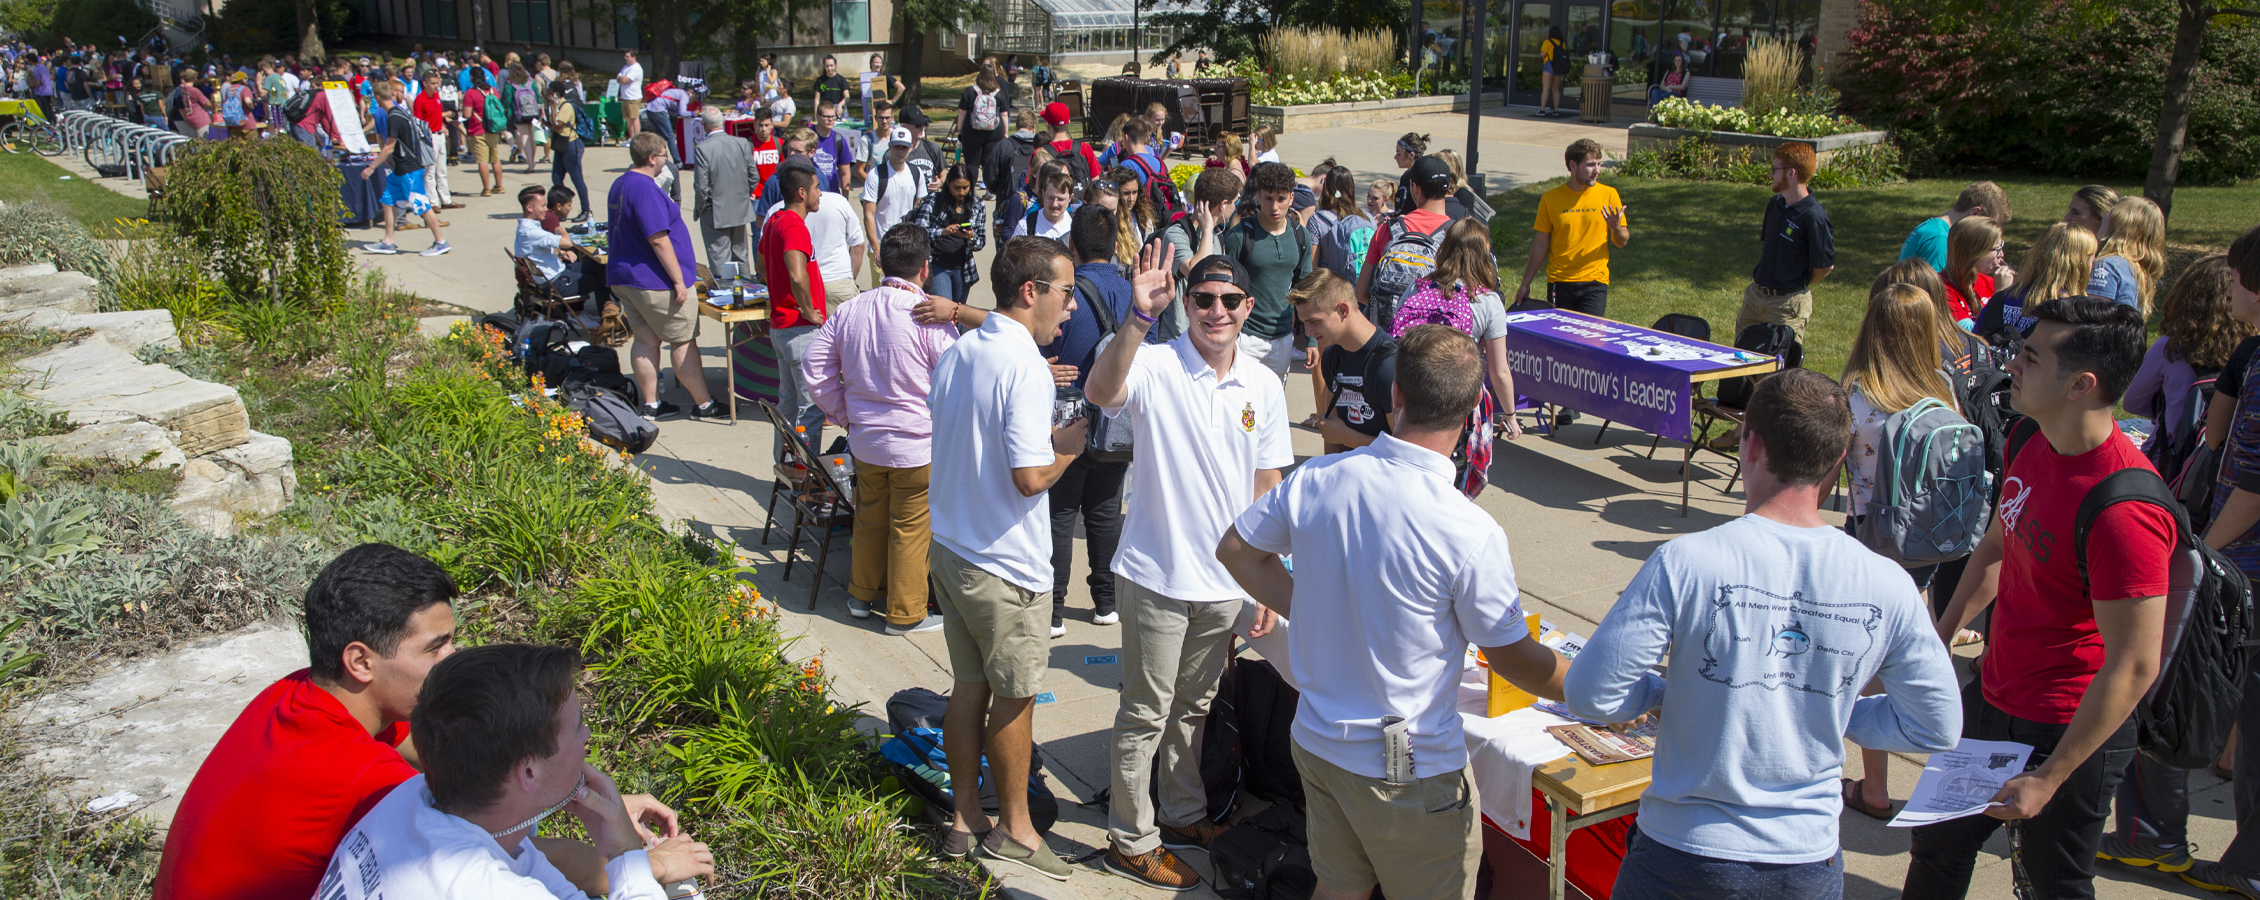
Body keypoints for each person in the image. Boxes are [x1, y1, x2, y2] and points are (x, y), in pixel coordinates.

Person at [1567, 367, 1961, 899]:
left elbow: (1592, 693)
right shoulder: (1886, 583)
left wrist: (1665, 694)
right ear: (1838, 459)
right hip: (1804, 862)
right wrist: (1837, 712)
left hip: (1681, 853)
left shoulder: (1686, 562)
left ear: (1749, 444)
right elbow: (1935, 726)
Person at [1217, 324, 1571, 900]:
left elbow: (1236, 551)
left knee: (1337, 886)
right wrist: (1597, 686)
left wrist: (1311, 609)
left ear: (1396, 395)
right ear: (1471, 412)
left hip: (1318, 742)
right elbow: (1517, 663)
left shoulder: (1319, 478)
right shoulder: (1468, 528)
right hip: (1404, 768)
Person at [153, 545, 687, 900]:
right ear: (360, 660)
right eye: (436, 647)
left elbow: (467, 758)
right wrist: (648, 867)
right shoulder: (370, 785)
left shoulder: (303, 694)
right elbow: (495, 840)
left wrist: (567, 788)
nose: (454, 658)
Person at [1907, 297, 2174, 899]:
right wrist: (1940, 637)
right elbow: (1999, 547)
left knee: (2052, 887)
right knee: (1937, 849)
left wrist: (2051, 776)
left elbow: (2135, 663)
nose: (2012, 365)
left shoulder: (2124, 511)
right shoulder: (2031, 436)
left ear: (2081, 384)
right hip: (1993, 700)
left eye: (2029, 356)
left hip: (2066, 729)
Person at [1077, 242, 1292, 889]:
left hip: (1226, 583)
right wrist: (1138, 318)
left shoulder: (1263, 382)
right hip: (1155, 575)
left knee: (1194, 707)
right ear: (1188, 304)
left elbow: (1267, 481)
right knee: (1145, 710)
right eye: (1203, 299)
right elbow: (1099, 389)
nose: (1216, 310)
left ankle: (1182, 812)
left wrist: (1268, 577)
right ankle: (1130, 837)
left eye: (1229, 300)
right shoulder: (1155, 364)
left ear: (1249, 307)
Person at [927, 236, 1088, 880]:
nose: (1071, 308)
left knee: (969, 689)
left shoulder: (962, 350)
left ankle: (965, 817)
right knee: (1015, 698)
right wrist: (1070, 448)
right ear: (1032, 292)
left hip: (953, 548)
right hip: (1005, 565)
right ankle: (1016, 830)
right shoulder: (1023, 365)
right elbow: (1028, 478)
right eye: (1066, 293)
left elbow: (977, 444)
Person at [316, 643, 713, 898]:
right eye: (577, 729)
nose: (587, 736)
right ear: (527, 773)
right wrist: (625, 853)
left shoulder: (410, 799)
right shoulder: (481, 888)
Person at [2141, 228, 2260, 896]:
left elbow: (2252, 481)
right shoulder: (2252, 354)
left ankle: (2250, 865)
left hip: (2247, 562)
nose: (2231, 288)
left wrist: (2205, 557)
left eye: (2240, 278)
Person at [1831, 283, 1970, 820]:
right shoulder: (1942, 389)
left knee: (1868, 661)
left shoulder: (1858, 393)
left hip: (1873, 537)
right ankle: (1943, 772)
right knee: (1925, 647)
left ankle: (1874, 786)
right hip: (1929, 541)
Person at [802, 224, 959, 635]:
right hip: (916, 445)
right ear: (925, 268)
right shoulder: (928, 315)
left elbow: (814, 367)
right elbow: (954, 380)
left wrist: (844, 413)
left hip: (866, 442)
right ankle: (905, 615)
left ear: (880, 262)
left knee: (870, 517)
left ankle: (861, 595)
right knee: (910, 528)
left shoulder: (851, 308)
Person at [1035, 206, 1168, 636]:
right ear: (1115, 244)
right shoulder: (1136, 290)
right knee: (1106, 510)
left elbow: (1048, 349)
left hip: (1069, 413)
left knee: (1060, 512)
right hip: (1121, 416)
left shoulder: (1067, 292)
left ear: (1072, 244)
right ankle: (1105, 602)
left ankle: (1054, 610)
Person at [607, 132, 722, 422]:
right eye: (664, 155)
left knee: (646, 340)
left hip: (626, 278)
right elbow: (658, 239)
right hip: (654, 282)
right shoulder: (645, 189)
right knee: (683, 341)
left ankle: (651, 405)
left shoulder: (620, 183)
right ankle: (704, 404)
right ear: (652, 158)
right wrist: (678, 280)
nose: (667, 161)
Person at [2124, 255, 2249, 459]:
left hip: (2170, 462)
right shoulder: (2249, 352)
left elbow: (2132, 402)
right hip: (2227, 458)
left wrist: (2168, 409)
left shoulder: (2169, 348)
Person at [758, 165, 838, 461]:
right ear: (802, 193)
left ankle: (786, 470)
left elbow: (760, 263)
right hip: (799, 329)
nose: (820, 194)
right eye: (817, 188)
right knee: (811, 409)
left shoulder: (774, 221)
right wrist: (807, 309)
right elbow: (797, 273)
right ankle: (806, 478)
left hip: (782, 328)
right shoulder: (793, 226)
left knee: (789, 407)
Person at [1221, 162, 1314, 382]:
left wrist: (1311, 339)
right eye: (1268, 198)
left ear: (1291, 198)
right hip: (1245, 338)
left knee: (1273, 409)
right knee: (1244, 410)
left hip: (1283, 340)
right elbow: (1225, 290)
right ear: (1258, 196)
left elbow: (1307, 290)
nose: (1274, 206)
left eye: (1281, 199)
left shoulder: (1301, 237)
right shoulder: (1239, 236)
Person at [1514, 138, 1628, 317]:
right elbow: (1540, 244)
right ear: (1573, 166)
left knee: (1590, 338)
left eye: (1599, 164)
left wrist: (1616, 228)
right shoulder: (1550, 199)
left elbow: (1622, 242)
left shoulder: (1609, 195)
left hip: (1595, 282)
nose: (1597, 170)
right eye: (1591, 165)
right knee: (1561, 339)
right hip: (1560, 282)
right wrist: (1525, 283)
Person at [1735, 142, 1835, 342]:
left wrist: (1797, 283)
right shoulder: (1776, 203)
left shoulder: (1814, 218)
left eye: (1774, 170)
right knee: (1740, 362)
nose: (1770, 175)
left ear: (1791, 173)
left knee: (1781, 371)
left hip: (1786, 306)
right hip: (1755, 299)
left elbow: (1825, 266)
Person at [1300, 270, 1396, 452]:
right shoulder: (1331, 355)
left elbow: (1403, 451)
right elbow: (1331, 432)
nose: (1307, 331)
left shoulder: (1389, 366)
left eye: (1314, 321)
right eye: (1304, 322)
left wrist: (1347, 437)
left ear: (1343, 310)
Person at [1358, 156, 1455, 327]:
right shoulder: (1455, 236)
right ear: (1447, 189)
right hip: (1431, 341)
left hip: (1388, 342)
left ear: (1414, 188)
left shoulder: (1387, 230)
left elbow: (1361, 293)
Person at [362, 82, 451, 258]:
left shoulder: (394, 117)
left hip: (409, 168)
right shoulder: (400, 112)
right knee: (387, 200)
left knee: (421, 204)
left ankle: (441, 241)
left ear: (378, 98)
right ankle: (388, 241)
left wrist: (371, 167)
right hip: (401, 168)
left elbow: (388, 147)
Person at [1974, 222, 2097, 341]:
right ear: (2081, 264)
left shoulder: (2000, 299)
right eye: (2092, 258)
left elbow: (1974, 342)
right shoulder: (2071, 313)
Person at [692, 107, 759, 279]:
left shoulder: (703, 149)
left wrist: (700, 208)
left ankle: (726, 296)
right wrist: (744, 194)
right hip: (739, 208)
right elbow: (754, 176)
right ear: (722, 122)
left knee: (719, 257)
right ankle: (746, 291)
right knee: (741, 255)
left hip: (715, 211)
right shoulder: (741, 143)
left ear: (704, 125)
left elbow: (701, 186)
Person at [514, 185, 607, 304]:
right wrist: (561, 230)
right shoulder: (531, 232)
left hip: (556, 272)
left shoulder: (526, 227)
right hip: (556, 283)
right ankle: (606, 317)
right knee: (604, 278)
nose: (546, 209)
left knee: (599, 266)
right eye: (542, 205)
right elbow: (567, 243)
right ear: (529, 208)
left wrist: (561, 253)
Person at [911, 163, 985, 305]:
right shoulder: (934, 201)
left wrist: (971, 237)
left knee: (958, 313)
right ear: (948, 184)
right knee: (945, 310)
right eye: (956, 187)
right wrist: (942, 232)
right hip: (937, 265)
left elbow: (980, 242)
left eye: (965, 188)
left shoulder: (978, 205)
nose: (961, 192)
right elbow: (918, 234)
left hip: (963, 268)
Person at [1897, 180, 2011, 272]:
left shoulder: (1934, 228)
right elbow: (1936, 293)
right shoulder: (1940, 240)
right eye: (1990, 226)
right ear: (1975, 213)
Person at [2090, 196, 2167, 315]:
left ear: (2117, 223)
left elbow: (2093, 312)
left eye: (2110, 213)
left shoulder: (2107, 265)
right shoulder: (2136, 267)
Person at [864, 126, 930, 253]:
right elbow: (868, 214)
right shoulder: (875, 175)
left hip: (907, 247)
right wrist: (876, 248)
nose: (900, 151)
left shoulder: (917, 173)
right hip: (882, 247)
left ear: (910, 148)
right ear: (890, 146)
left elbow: (918, 210)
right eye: (896, 146)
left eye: (904, 147)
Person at [1938, 215, 2009, 328]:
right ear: (1975, 253)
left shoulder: (1989, 282)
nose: (2002, 255)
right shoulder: (1941, 289)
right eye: (1997, 249)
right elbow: (1972, 336)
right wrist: (2000, 296)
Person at [414, 71, 462, 211]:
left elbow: (436, 115)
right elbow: (418, 122)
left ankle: (445, 198)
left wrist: (442, 125)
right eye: (433, 84)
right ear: (425, 83)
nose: (436, 86)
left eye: (437, 83)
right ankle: (433, 202)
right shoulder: (420, 100)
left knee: (442, 169)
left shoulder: (436, 96)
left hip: (440, 134)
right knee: (430, 171)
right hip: (429, 137)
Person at [958, 69, 1007, 191]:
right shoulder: (998, 93)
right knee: (990, 164)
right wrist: (1005, 131)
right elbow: (1004, 114)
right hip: (994, 133)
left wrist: (960, 130)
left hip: (972, 132)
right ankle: (990, 190)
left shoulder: (970, 91)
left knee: (972, 164)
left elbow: (962, 112)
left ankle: (970, 192)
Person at [462, 66, 502, 196]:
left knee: (482, 160)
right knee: (495, 159)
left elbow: (467, 114)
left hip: (478, 129)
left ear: (472, 78)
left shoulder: (470, 93)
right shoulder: (493, 91)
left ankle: (486, 188)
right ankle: (499, 185)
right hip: (494, 129)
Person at [1012, 168, 1076, 244]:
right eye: (1050, 198)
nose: (1054, 204)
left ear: (1070, 198)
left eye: (1060, 199)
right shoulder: (1025, 226)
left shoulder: (1077, 225)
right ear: (1043, 194)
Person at [1040, 101, 1100, 181]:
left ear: (1048, 125)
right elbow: (1095, 179)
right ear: (1068, 123)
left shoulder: (1041, 152)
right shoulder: (1085, 148)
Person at [809, 100, 859, 196]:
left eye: (833, 116)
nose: (830, 119)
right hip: (811, 195)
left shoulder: (839, 140)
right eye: (826, 117)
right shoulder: (807, 137)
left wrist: (845, 198)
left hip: (832, 194)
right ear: (817, 116)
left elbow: (845, 173)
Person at [860, 52, 904, 123]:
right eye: (876, 62)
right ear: (871, 63)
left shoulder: (885, 75)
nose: (878, 65)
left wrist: (892, 101)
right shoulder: (867, 77)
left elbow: (901, 87)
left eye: (880, 62)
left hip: (885, 110)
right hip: (871, 110)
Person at [1537, 26, 1568, 117]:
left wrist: (1542, 54)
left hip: (1549, 66)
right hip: (1559, 67)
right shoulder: (1562, 44)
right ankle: (1556, 110)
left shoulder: (1547, 42)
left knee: (1546, 89)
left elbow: (1543, 53)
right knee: (1555, 89)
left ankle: (1542, 110)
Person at [616, 49, 643, 138]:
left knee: (634, 118)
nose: (625, 58)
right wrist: (621, 79)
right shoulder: (626, 66)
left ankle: (637, 137)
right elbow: (618, 78)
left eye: (627, 56)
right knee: (627, 118)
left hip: (633, 97)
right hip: (625, 96)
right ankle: (631, 138)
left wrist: (621, 79)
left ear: (633, 56)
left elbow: (624, 80)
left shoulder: (636, 68)